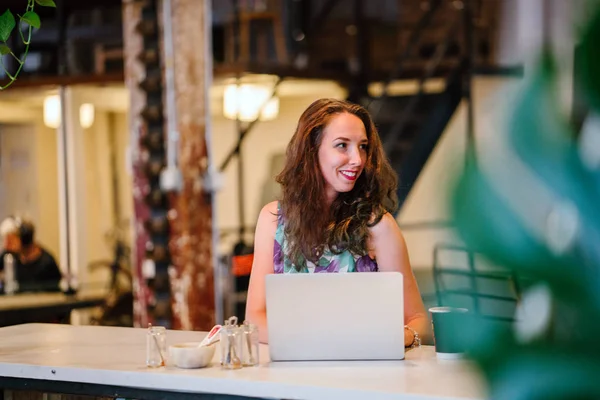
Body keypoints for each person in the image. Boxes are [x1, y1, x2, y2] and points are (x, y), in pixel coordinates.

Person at [246, 98, 432, 346]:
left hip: (361, 374)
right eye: (342, 145)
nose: (357, 159)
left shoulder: (378, 226)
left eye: (363, 146)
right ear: (312, 150)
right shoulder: (273, 220)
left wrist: (405, 337)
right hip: (292, 372)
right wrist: (320, 343)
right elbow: (255, 318)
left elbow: (417, 318)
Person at [0, 216, 62, 293]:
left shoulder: (47, 262)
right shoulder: (8, 255)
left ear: (25, 238)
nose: (6, 245)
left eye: (11, 240)